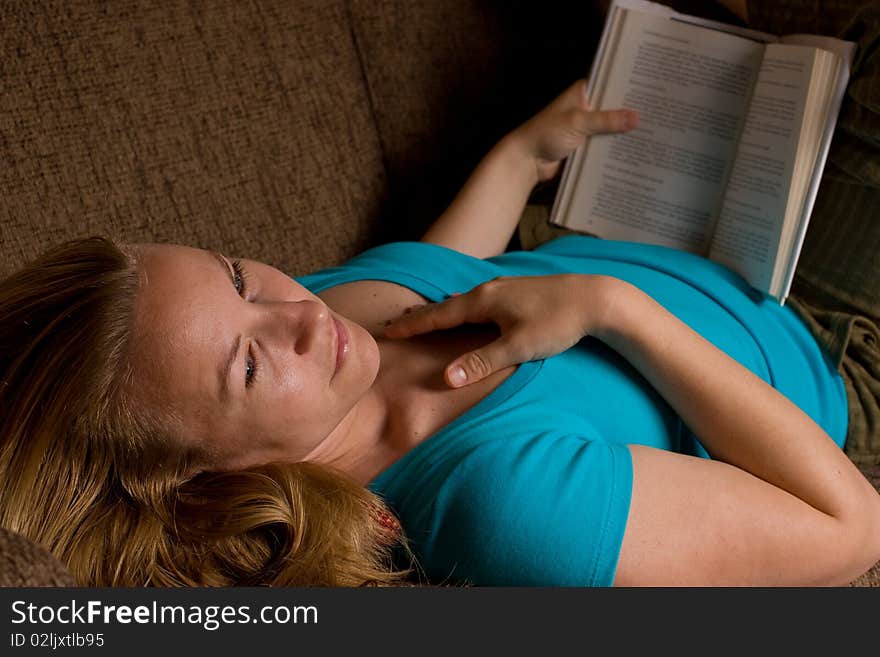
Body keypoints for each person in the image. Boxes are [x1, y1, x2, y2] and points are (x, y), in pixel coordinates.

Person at [1, 76, 878, 587]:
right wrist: (610, 306)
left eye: (237, 275)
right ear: (204, 477)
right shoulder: (507, 509)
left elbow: (436, 269)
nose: (301, 312)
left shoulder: (324, 331)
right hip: (827, 349)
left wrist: (521, 157)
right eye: (248, 363)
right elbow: (852, 530)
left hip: (697, 232)